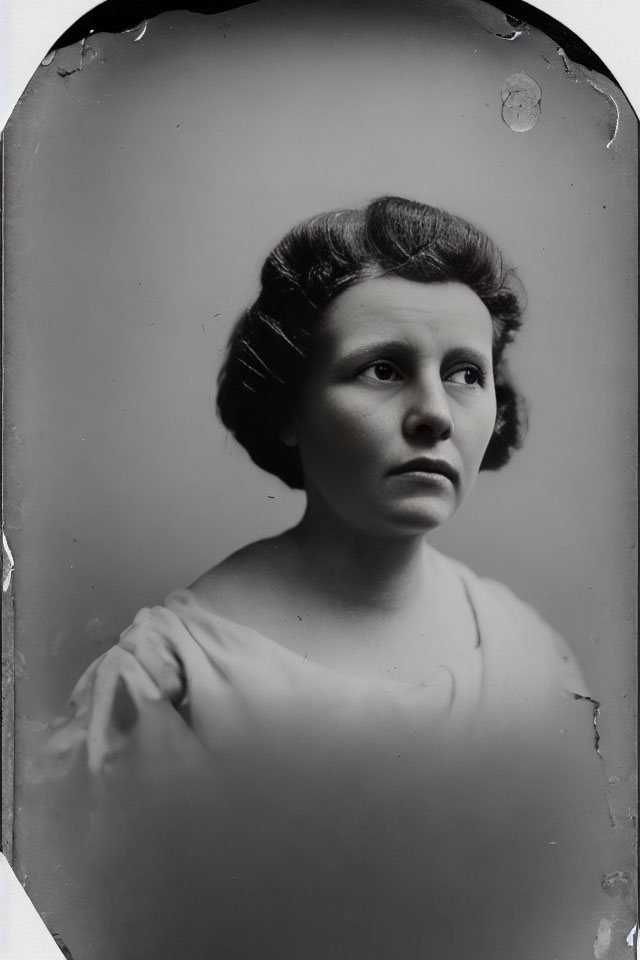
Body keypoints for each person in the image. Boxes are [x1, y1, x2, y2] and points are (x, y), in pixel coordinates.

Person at [40, 197, 614, 960]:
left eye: (466, 374)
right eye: (383, 369)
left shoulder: (532, 660)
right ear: (289, 408)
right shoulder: (169, 681)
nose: (435, 414)